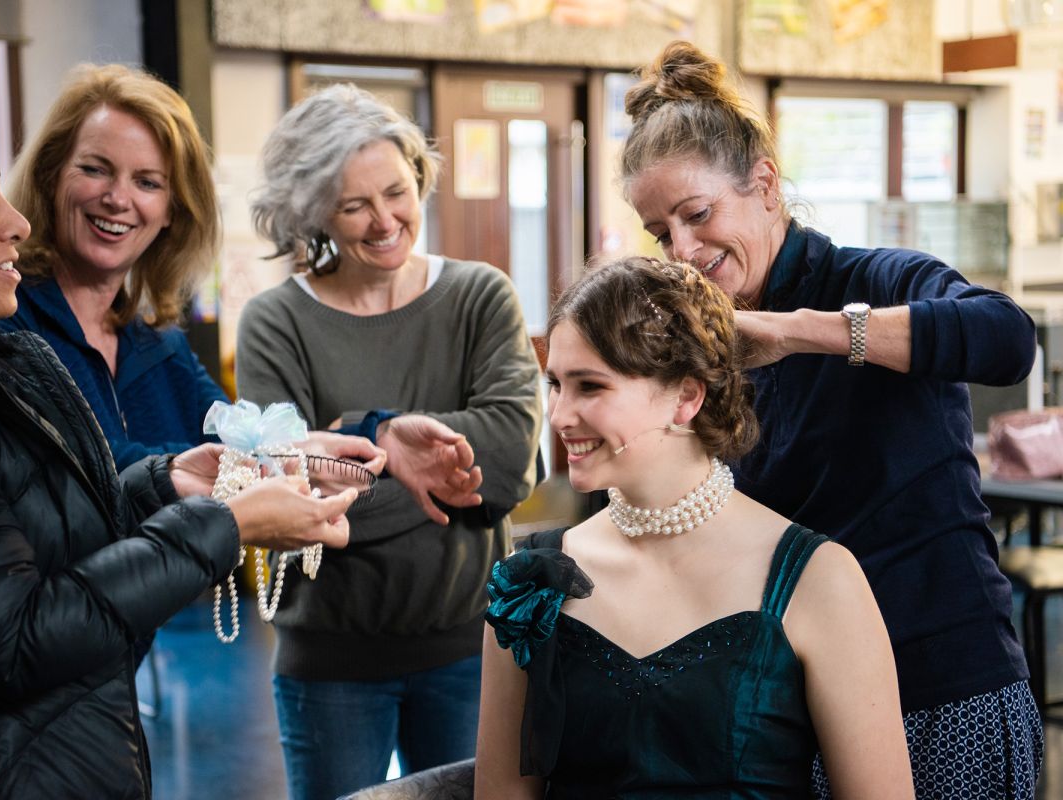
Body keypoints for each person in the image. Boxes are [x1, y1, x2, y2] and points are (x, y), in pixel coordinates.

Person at [0, 75, 360, 799]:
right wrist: (217, 516)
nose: (15, 223)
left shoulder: (102, 343)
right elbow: (12, 629)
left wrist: (185, 478)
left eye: (148, 181)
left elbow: (90, 485)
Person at [621, 41, 1043, 796]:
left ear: (765, 185)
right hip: (801, 703)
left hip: (941, 691)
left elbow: (1007, 339)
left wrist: (793, 332)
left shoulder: (875, 279)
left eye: (698, 214)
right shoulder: (707, 346)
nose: (684, 250)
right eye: (662, 234)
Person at [475, 256, 913, 798]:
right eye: (555, 384)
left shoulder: (818, 578)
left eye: (589, 386)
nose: (560, 415)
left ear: (686, 397)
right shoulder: (530, 583)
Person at [239, 83, 543, 800]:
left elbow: (510, 465)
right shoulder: (276, 323)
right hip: (330, 663)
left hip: (472, 650)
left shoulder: (480, 297)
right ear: (314, 213)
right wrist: (430, 475)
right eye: (354, 205)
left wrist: (349, 454)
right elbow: (288, 500)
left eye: (397, 192)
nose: (385, 221)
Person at [0, 63, 228, 472]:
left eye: (148, 182)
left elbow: (245, 440)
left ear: (173, 210)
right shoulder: (5, 320)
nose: (118, 199)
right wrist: (191, 469)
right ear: (51, 177)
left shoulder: (163, 347)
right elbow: (76, 467)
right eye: (95, 170)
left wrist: (360, 436)